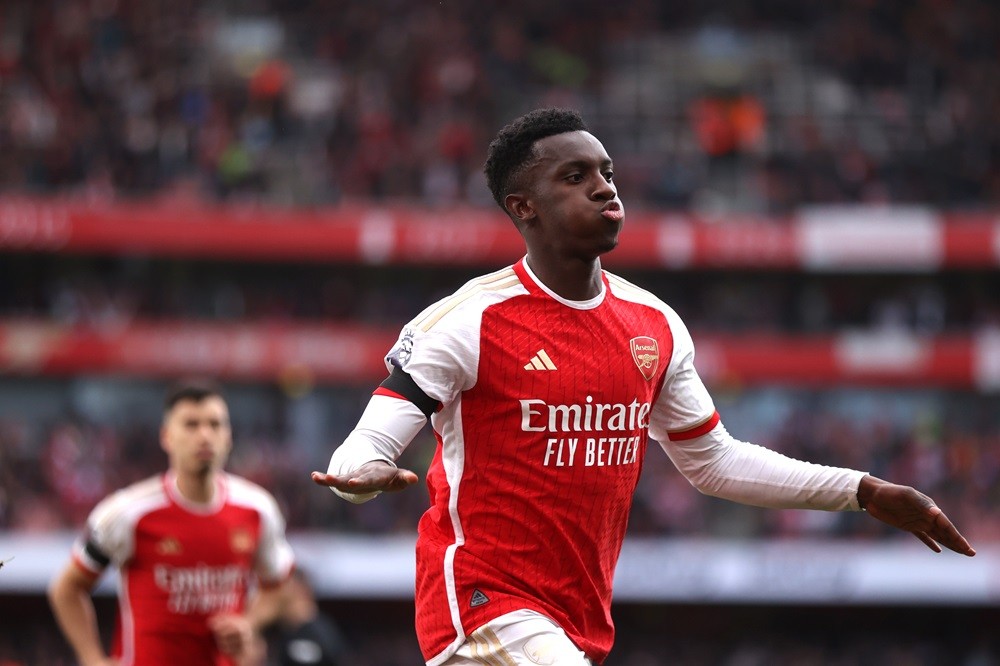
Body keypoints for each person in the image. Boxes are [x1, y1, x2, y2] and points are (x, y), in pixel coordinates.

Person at [310, 108, 976, 666]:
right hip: (483, 603)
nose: (604, 188)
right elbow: (364, 445)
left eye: (606, 172)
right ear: (524, 207)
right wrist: (362, 474)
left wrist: (862, 490)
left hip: (579, 618)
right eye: (576, 177)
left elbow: (714, 463)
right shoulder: (467, 322)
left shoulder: (653, 324)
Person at [49, 380, 296, 666]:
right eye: (191, 425)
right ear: (167, 436)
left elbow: (279, 585)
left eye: (215, 425)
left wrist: (249, 623)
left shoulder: (257, 509)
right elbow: (67, 588)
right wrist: (91, 659)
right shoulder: (128, 513)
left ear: (228, 436)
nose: (205, 435)